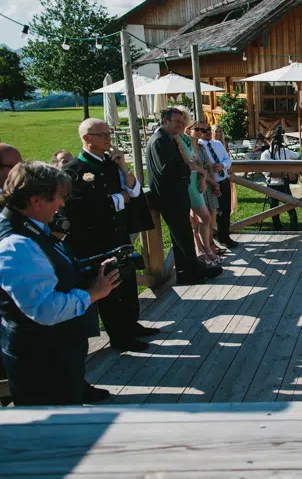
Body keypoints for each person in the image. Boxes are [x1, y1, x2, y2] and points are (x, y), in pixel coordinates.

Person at [0, 162, 121, 405]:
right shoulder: (17, 245)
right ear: (36, 201)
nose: (62, 205)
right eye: (57, 198)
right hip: (42, 359)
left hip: (52, 354)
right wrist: (93, 294)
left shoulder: (31, 229)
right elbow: (45, 310)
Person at [62, 118, 158, 354]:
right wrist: (118, 199)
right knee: (110, 290)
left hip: (119, 236)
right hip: (96, 240)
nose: (108, 139)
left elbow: (134, 191)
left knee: (127, 284)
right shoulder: (74, 170)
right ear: (87, 139)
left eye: (109, 133)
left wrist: (124, 167)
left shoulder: (110, 162)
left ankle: (131, 325)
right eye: (102, 134)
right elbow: (78, 206)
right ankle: (120, 337)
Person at [146, 108, 222, 285]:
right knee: (182, 236)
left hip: (178, 193)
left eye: (182, 122)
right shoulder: (159, 141)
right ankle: (190, 271)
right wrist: (189, 168)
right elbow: (166, 170)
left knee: (184, 235)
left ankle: (189, 270)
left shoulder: (169, 139)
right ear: (165, 121)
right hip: (170, 197)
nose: (180, 124)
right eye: (176, 122)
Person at [181, 120, 220, 266]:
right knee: (196, 220)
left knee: (208, 216)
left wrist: (205, 178)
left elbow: (206, 166)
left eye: (204, 130)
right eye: (197, 129)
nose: (201, 132)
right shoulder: (184, 143)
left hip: (201, 184)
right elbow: (193, 165)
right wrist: (204, 175)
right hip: (191, 185)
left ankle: (207, 247)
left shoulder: (200, 145)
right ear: (188, 128)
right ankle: (201, 250)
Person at [200, 124, 238, 249]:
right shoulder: (200, 146)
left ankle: (224, 237)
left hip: (223, 180)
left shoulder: (218, 144)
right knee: (211, 213)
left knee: (225, 211)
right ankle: (212, 241)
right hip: (211, 183)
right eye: (204, 131)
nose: (207, 133)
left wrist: (223, 165)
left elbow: (228, 160)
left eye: (208, 130)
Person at [260, 129, 300, 231]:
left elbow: (299, 157)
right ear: (268, 141)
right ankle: (278, 231)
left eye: (277, 139)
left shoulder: (285, 151)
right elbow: (268, 173)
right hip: (272, 185)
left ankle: (294, 230)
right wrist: (285, 173)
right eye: (272, 139)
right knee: (274, 211)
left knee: (291, 209)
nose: (275, 142)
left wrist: (293, 170)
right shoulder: (265, 155)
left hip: (284, 185)